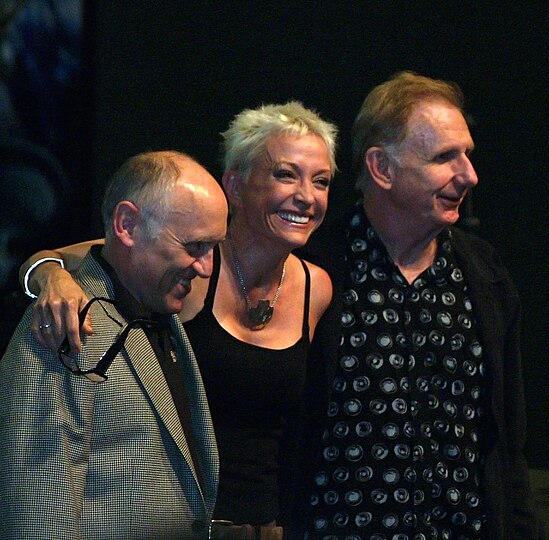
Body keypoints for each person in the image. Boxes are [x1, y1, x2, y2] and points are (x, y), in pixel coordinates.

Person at [17, 101, 338, 539]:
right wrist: (50, 277)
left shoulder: (315, 287)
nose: (307, 195)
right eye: (286, 174)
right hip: (177, 519)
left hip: (262, 526)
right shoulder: (181, 268)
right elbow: (101, 252)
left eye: (321, 181)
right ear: (235, 185)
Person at [300, 72, 543, 538]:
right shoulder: (316, 269)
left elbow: (507, 445)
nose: (469, 175)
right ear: (382, 168)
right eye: (444, 157)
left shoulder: (485, 275)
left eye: (467, 154)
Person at [1, 150, 228, 539]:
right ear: (127, 225)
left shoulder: (157, 307)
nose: (207, 267)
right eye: (194, 247)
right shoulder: (63, 320)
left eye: (212, 248)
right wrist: (46, 272)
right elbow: (37, 509)